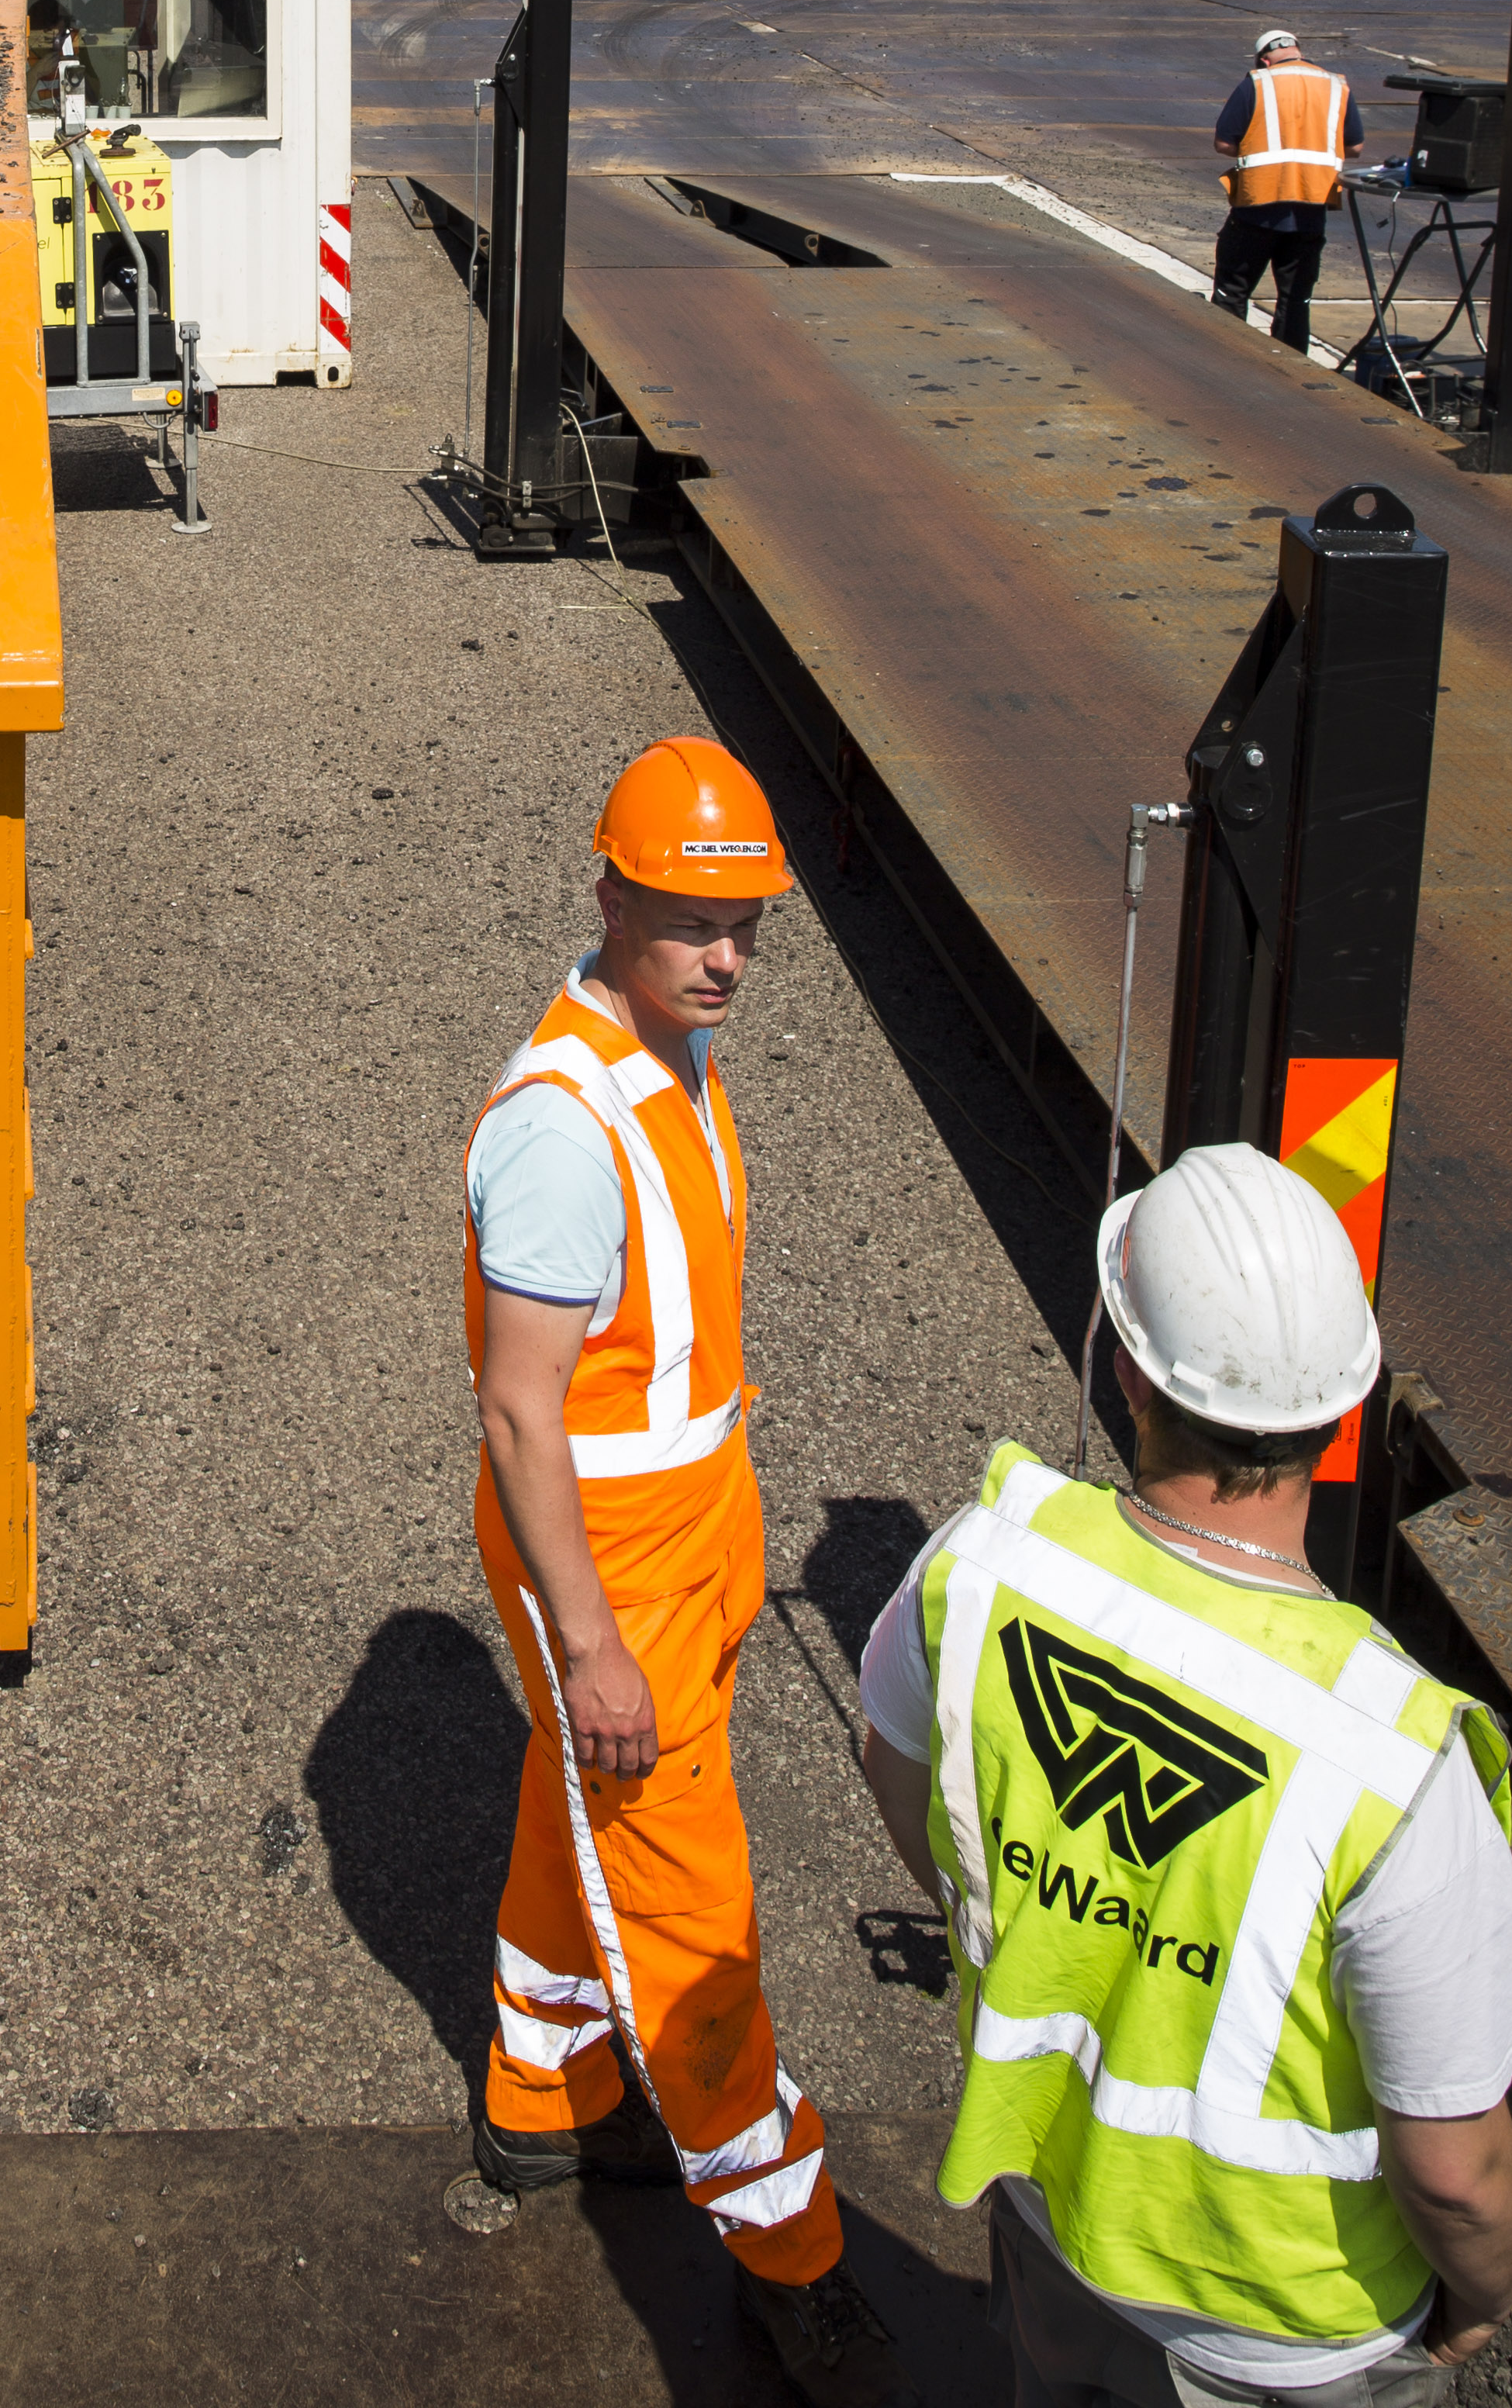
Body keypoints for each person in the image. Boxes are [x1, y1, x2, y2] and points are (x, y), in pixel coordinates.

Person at [854, 1142, 1512, 2408]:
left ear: (1129, 1369)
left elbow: (905, 1779)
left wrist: (1062, 1921)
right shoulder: (1396, 1757)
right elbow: (1456, 2168)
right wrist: (1478, 2300)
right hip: (1288, 2330)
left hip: (1051, 2215)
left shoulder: (981, 1566)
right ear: (1347, 1410)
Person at [464, 737, 903, 2406]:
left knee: (577, 1799)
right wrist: (588, 1642)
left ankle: (541, 2088)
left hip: (683, 1527)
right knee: (694, 1917)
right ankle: (789, 2256)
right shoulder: (567, 1125)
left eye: (746, 919)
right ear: (608, 894)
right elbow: (520, 1414)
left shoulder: (672, 1054)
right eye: (689, 916)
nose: (724, 951)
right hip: (613, 1564)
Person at [1211, 29, 1358, 356]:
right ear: (1298, 51)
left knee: (1232, 292)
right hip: (1311, 206)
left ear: (1264, 59)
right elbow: (1355, 145)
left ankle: (1225, 362)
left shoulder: (1258, 82)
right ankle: (1292, 370)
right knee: (1296, 300)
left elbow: (1224, 142)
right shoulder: (1336, 85)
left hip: (1258, 205)